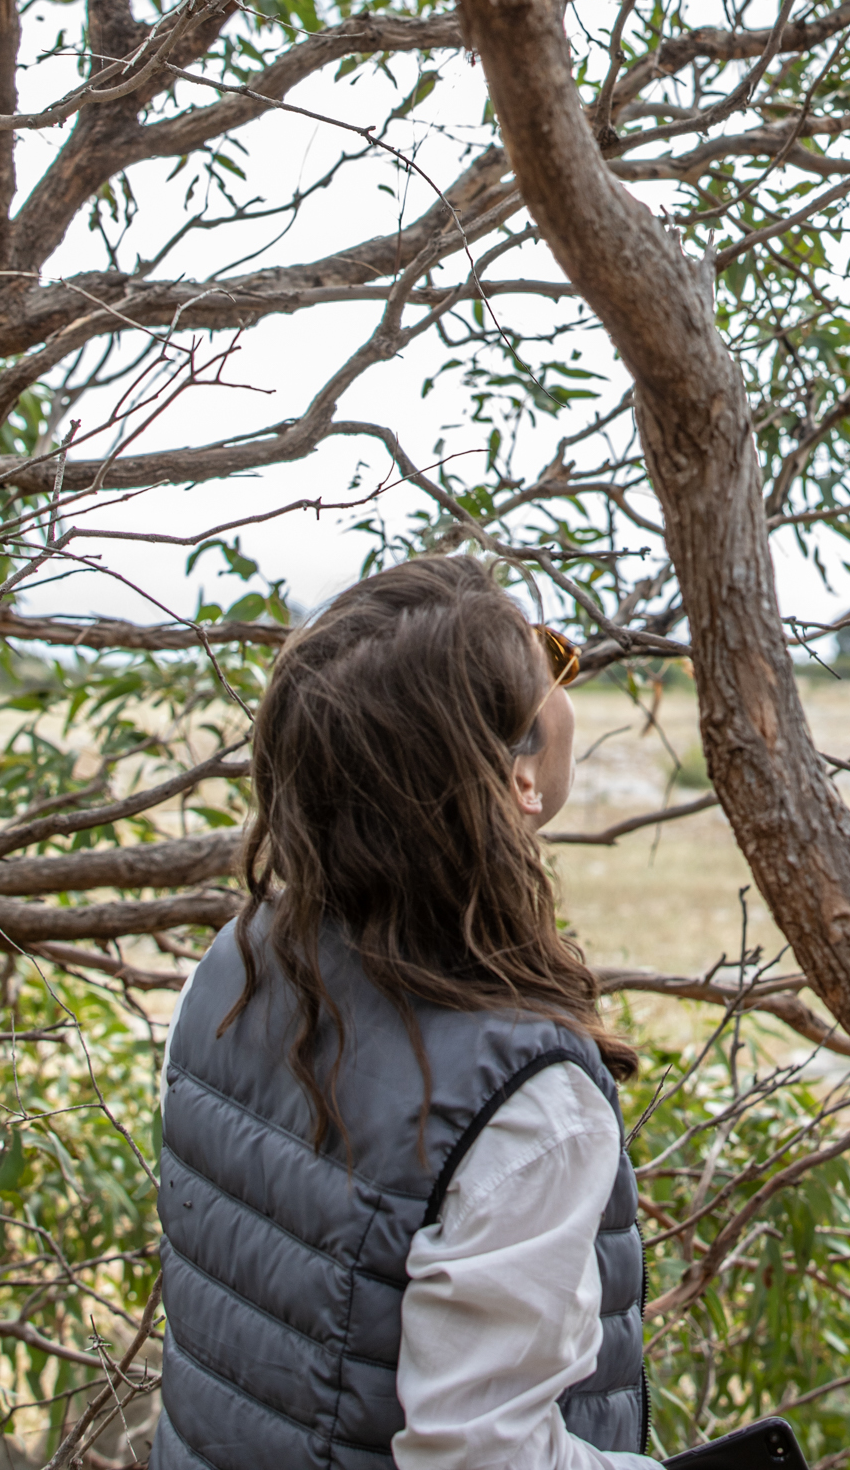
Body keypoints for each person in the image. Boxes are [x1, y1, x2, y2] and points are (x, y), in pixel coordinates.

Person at [153, 554, 659, 1470]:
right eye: (542, 665)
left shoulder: (232, 967)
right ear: (515, 783)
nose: (561, 676)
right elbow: (477, 1456)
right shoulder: (527, 1104)